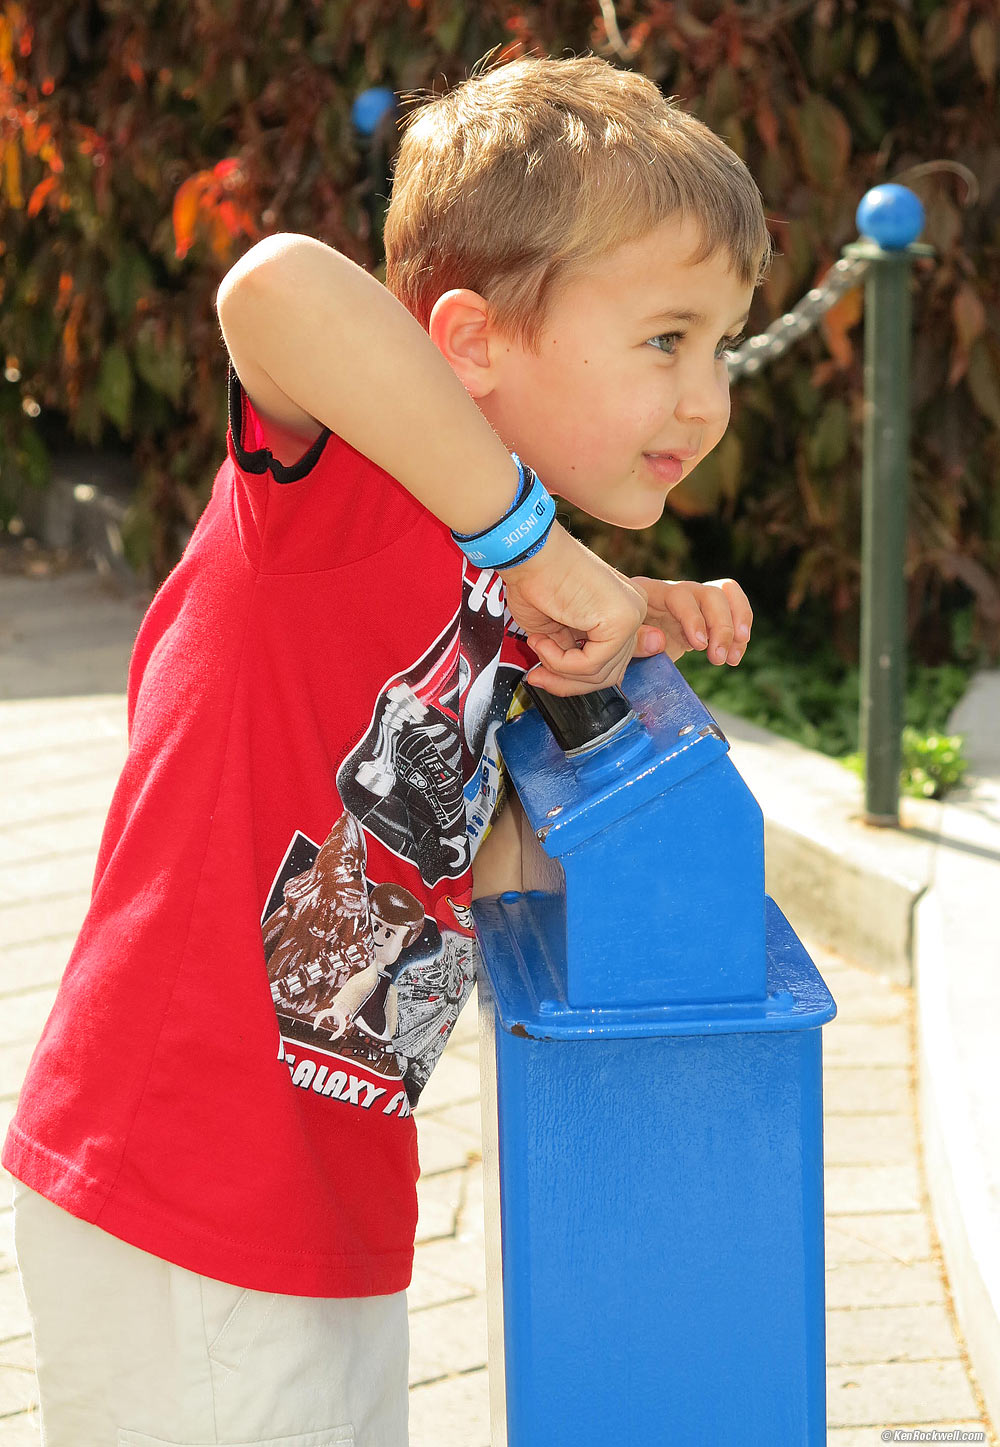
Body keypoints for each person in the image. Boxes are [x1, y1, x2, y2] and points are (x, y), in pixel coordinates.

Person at [5, 52, 769, 1447]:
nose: (708, 397)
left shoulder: (470, 584)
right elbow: (278, 285)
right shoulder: (348, 492)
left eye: (721, 346)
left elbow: (415, 850)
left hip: (326, 1192)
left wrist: (615, 620)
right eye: (667, 339)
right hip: (192, 1184)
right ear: (467, 341)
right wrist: (534, 546)